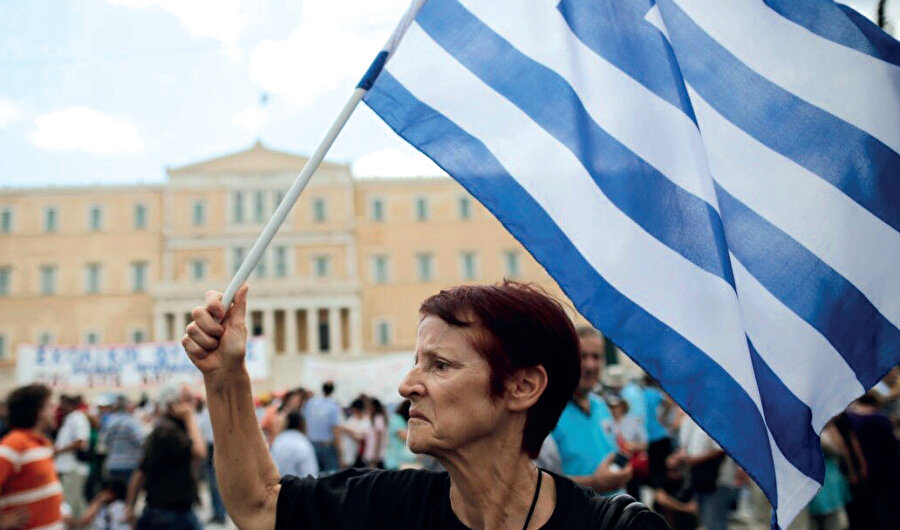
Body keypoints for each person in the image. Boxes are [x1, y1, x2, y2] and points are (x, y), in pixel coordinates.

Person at [183, 282, 669, 529]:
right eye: (417, 362)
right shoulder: (387, 507)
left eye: (439, 366)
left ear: (522, 387)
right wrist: (225, 375)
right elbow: (259, 504)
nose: (407, 385)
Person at [550, 327, 633, 495]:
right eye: (582, 356)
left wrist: (624, 470)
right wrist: (594, 483)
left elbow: (612, 452)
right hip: (579, 518)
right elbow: (537, 482)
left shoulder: (601, 405)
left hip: (616, 513)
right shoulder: (548, 411)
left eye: (596, 356)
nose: (590, 365)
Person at [125, 383, 206, 530]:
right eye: (187, 399)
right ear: (173, 405)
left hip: (177, 510)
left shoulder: (172, 428)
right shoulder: (168, 431)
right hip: (167, 513)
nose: (193, 404)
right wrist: (190, 419)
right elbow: (199, 452)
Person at [0, 384, 63, 530]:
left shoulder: (42, 444)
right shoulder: (13, 445)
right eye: (50, 407)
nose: (55, 412)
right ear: (38, 411)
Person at [54, 394, 91, 525]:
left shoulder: (78, 419)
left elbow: (81, 442)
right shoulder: (70, 419)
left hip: (74, 469)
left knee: (70, 505)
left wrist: (58, 450)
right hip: (67, 468)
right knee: (78, 504)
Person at [100, 395, 143, 485]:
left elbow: (106, 441)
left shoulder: (110, 421)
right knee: (128, 494)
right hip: (130, 464)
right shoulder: (132, 422)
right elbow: (140, 441)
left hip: (113, 464)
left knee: (115, 494)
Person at [302, 381, 342, 473]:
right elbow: (335, 431)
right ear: (332, 391)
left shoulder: (310, 403)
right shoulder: (333, 406)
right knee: (330, 478)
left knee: (313, 476)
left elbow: (304, 423)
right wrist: (340, 454)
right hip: (326, 447)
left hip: (311, 445)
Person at [197, 400, 226, 525]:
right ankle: (219, 513)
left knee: (214, 485)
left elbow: (201, 434)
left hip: (212, 448)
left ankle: (219, 513)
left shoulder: (204, 415)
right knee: (215, 485)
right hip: (215, 447)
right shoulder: (218, 413)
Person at [270, 410, 319, 479]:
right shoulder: (303, 442)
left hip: (280, 485)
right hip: (298, 487)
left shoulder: (278, 440)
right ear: (301, 424)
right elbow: (311, 474)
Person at [384, 400, 417, 470]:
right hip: (395, 460)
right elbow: (406, 437)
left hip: (398, 459)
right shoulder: (397, 420)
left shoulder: (397, 419)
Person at [363, 398, 388, 468]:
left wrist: (375, 455)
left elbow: (379, 438)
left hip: (375, 454)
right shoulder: (374, 418)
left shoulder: (378, 418)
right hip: (373, 453)